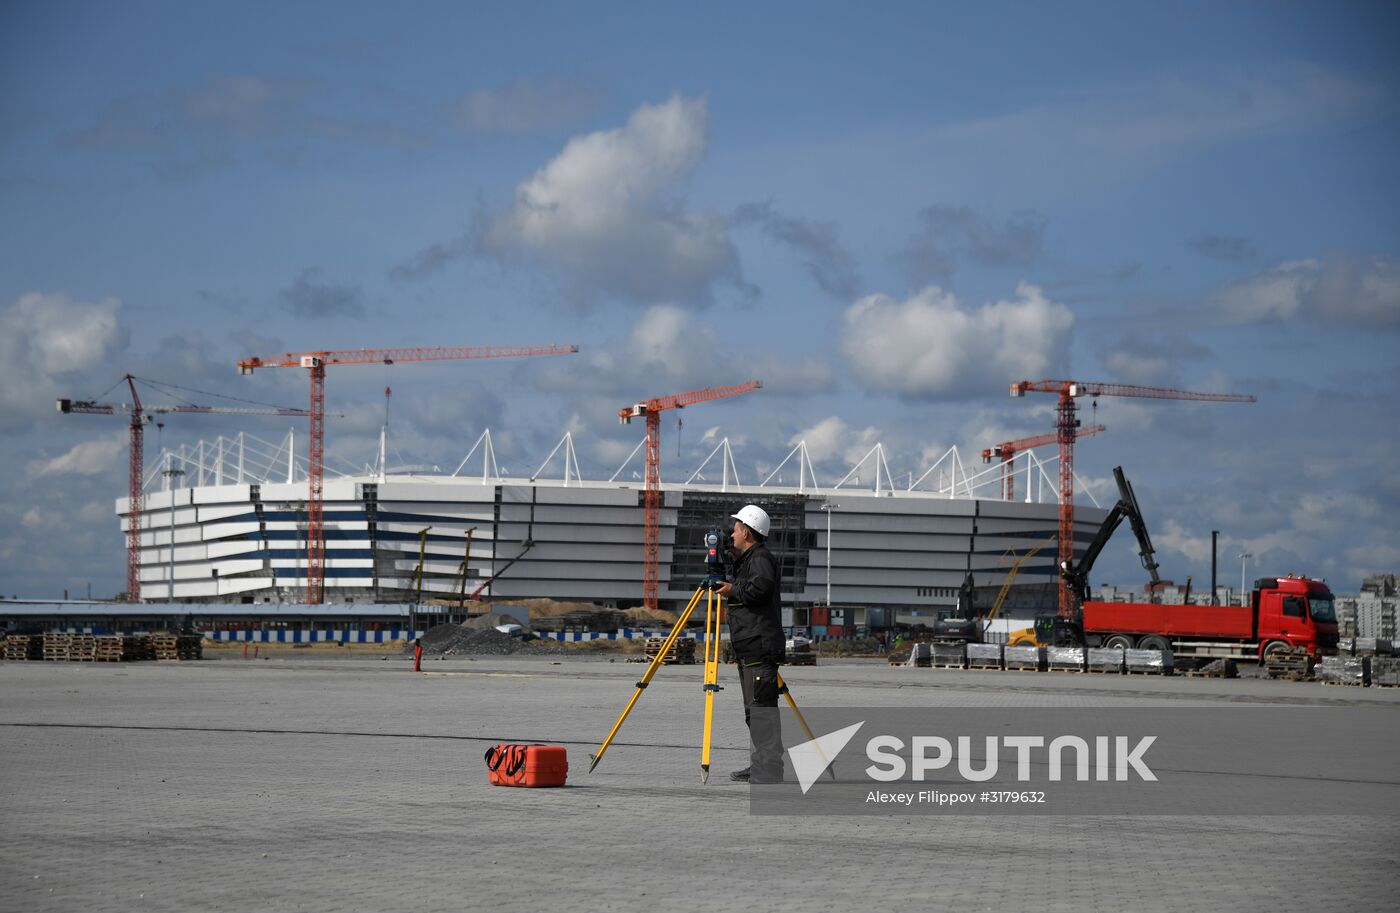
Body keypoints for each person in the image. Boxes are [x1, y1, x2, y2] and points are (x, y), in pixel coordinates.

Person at [715, 504, 785, 783]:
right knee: (754, 712)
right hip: (750, 645)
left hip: (759, 644)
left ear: (746, 531)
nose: (731, 534)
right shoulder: (749, 560)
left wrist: (733, 590)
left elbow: (760, 589)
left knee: (761, 711)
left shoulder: (761, 558)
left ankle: (769, 770)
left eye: (735, 530)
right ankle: (761, 764)